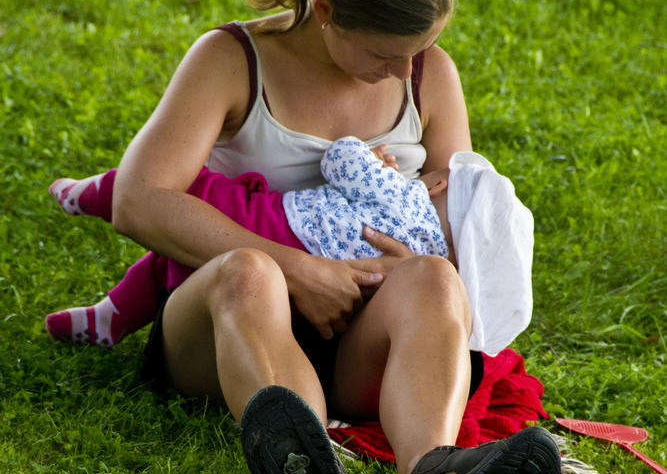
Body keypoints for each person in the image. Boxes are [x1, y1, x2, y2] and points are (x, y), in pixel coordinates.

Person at [49, 0, 560, 474]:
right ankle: (308, 463)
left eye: (417, 51)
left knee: (434, 282)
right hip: (226, 329)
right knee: (248, 273)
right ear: (324, 13)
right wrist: (296, 268)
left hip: (358, 339)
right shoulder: (232, 60)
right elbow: (138, 198)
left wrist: (430, 256)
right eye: (385, 54)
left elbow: (463, 212)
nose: (406, 72)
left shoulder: (430, 74)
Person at [46, 140, 534, 361]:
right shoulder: (421, 265)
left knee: (189, 194)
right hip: (307, 319)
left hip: (271, 227)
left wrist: (372, 159)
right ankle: (108, 317)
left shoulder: (407, 195)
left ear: (440, 182)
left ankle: (91, 193)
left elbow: (340, 160)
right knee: (169, 263)